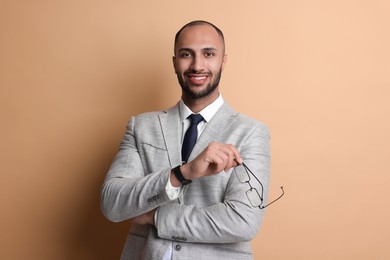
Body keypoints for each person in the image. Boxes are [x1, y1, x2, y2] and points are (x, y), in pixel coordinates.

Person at [100, 20, 270, 260]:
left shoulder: (251, 132)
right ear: (174, 63)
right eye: (186, 54)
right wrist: (183, 172)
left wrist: (155, 216)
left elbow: (243, 221)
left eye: (208, 54)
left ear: (223, 60)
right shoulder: (141, 126)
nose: (197, 65)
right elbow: (112, 202)